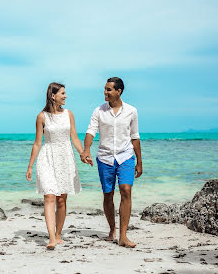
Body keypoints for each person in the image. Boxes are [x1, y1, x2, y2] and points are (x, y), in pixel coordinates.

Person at [80, 77, 142, 248]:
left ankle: (123, 235)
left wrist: (139, 161)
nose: (105, 92)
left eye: (109, 89)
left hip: (125, 156)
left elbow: (135, 137)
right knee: (108, 194)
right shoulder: (99, 111)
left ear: (118, 91)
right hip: (105, 157)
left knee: (126, 190)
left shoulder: (131, 111)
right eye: (105, 89)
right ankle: (112, 229)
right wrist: (86, 150)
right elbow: (91, 132)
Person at [26, 82, 84, 250]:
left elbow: (74, 137)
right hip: (47, 157)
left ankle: (58, 234)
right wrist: (30, 166)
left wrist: (82, 153)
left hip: (65, 157)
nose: (66, 96)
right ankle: (51, 238)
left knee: (61, 199)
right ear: (53, 96)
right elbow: (37, 143)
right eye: (63, 93)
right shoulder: (42, 116)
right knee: (49, 196)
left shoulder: (69, 114)